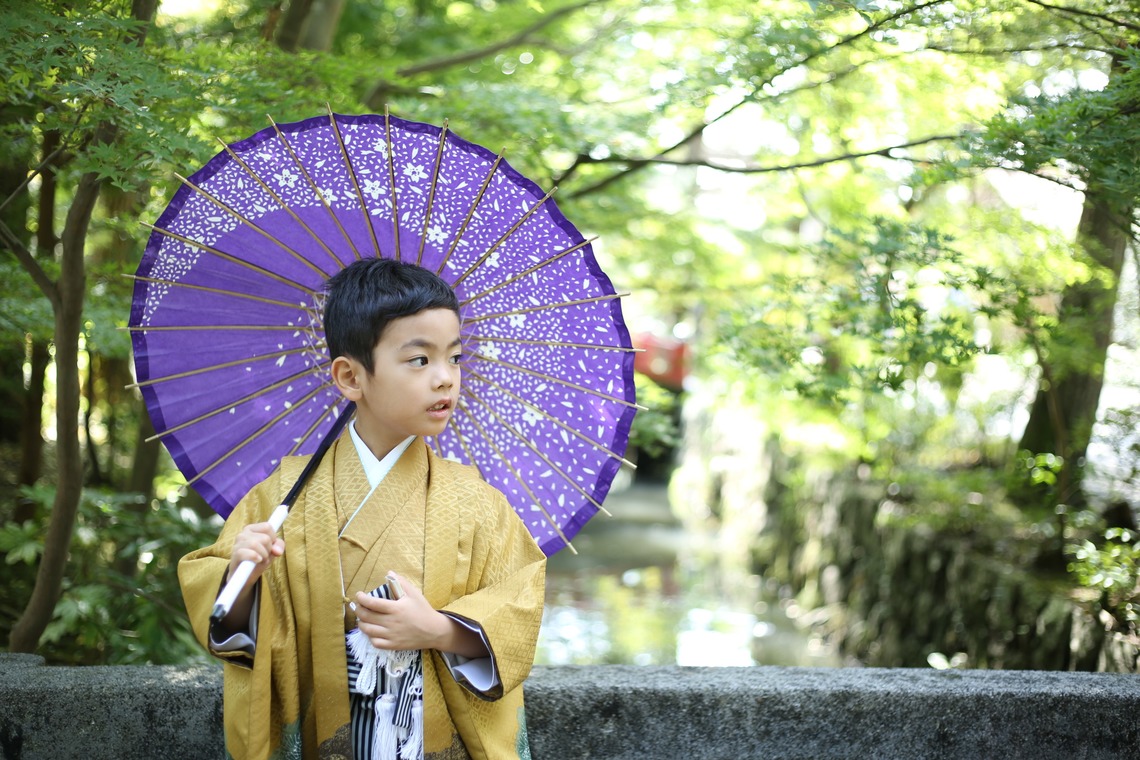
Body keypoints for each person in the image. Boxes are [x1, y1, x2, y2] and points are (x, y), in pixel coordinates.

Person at [179, 258, 547, 760]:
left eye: (455, 358)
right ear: (350, 377)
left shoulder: (475, 500)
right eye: (420, 360)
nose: (446, 379)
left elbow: (518, 602)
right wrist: (244, 576)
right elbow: (222, 610)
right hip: (324, 733)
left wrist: (438, 630)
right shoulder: (281, 496)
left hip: (430, 736)